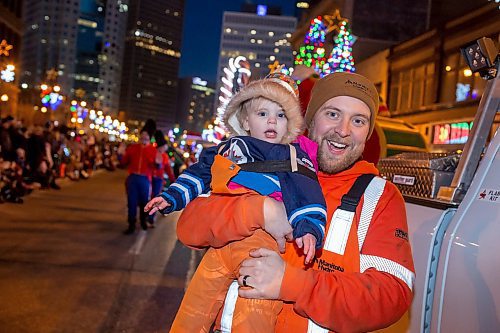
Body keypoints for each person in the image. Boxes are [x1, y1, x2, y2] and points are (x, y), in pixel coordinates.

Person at [176, 72, 415, 332]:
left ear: (367, 133)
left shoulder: (380, 196)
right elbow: (189, 229)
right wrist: (259, 210)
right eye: (333, 114)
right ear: (309, 120)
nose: (343, 130)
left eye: (358, 120)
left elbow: (391, 295)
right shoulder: (261, 162)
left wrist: (292, 284)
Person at [145, 73, 327, 332]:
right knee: (195, 304)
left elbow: (307, 194)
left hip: (260, 244)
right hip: (222, 242)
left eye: (281, 114)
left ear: (291, 124)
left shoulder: (291, 155)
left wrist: (308, 228)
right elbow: (199, 174)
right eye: (262, 113)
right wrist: (171, 197)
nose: (272, 120)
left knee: (254, 310)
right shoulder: (226, 148)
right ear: (245, 120)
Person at [121, 128, 161, 234]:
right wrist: (121, 154)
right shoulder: (132, 148)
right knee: (131, 202)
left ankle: (143, 221)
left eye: (146, 135)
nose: (144, 137)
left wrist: (157, 163)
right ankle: (131, 224)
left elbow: (157, 166)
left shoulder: (153, 150)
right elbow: (124, 162)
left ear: (149, 137)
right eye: (142, 135)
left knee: (144, 202)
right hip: (133, 178)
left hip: (145, 179)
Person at [147, 130, 175, 226]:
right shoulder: (152, 152)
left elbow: (168, 169)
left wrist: (173, 180)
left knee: (155, 197)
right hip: (149, 178)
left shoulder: (165, 156)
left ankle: (150, 217)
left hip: (158, 180)